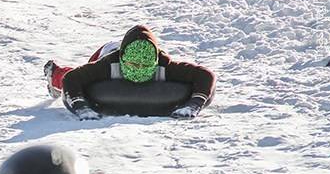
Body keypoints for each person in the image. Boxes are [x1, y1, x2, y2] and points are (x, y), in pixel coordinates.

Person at [44, 25, 217, 119]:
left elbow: (205, 75)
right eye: (133, 65)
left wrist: (195, 103)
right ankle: (54, 74)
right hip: (107, 50)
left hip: (129, 49)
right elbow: (73, 79)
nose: (138, 71)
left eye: (145, 67)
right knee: (84, 77)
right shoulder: (108, 64)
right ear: (124, 60)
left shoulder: (165, 66)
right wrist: (80, 106)